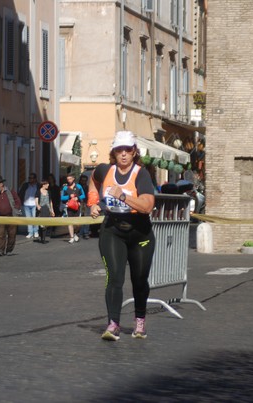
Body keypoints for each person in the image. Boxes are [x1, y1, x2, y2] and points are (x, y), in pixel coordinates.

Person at [88, 130, 156, 341]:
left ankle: (140, 321)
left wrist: (124, 196)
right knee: (114, 278)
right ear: (114, 153)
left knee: (139, 279)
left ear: (134, 152)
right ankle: (113, 324)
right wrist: (93, 202)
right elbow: (93, 179)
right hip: (112, 230)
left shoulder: (141, 174)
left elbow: (147, 206)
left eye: (128, 150)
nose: (124, 154)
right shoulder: (104, 170)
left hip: (140, 233)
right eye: (119, 150)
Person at [0, 175, 22, 256]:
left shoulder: (10, 190)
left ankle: (9, 249)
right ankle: (0, 250)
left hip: (11, 216)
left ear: (1, 184)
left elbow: (17, 200)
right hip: (1, 217)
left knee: (12, 234)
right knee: (0, 234)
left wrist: (16, 208)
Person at [61, 173, 85, 244]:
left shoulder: (79, 186)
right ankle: (71, 237)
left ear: (73, 178)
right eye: (67, 179)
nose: (69, 180)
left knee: (78, 223)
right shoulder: (65, 187)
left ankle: (75, 233)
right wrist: (68, 196)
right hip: (69, 207)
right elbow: (62, 197)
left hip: (77, 206)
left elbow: (83, 195)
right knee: (70, 222)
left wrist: (78, 198)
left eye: (70, 179)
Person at [19, 173, 38, 239]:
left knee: (34, 219)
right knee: (29, 219)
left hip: (34, 204)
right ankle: (30, 232)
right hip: (26, 204)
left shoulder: (37, 186)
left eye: (32, 178)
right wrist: (20, 202)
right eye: (29, 178)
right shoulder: (25, 185)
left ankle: (35, 231)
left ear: (35, 179)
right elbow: (21, 193)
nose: (30, 179)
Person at [78, 174, 91, 239]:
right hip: (80, 204)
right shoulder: (78, 187)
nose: (84, 181)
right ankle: (81, 232)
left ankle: (85, 233)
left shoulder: (87, 187)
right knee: (82, 218)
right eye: (82, 180)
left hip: (86, 204)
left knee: (86, 218)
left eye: (85, 180)